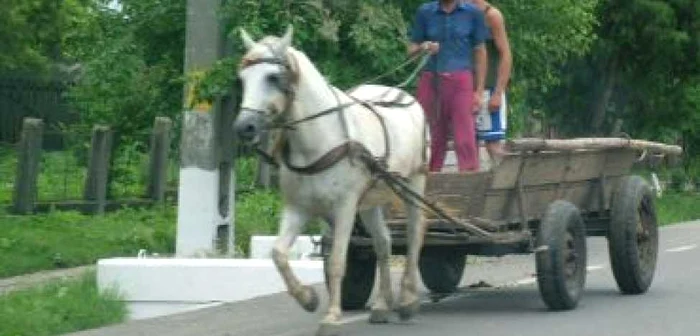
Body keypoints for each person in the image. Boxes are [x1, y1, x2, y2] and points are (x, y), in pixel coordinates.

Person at [408, 0, 488, 172]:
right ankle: (427, 179)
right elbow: (411, 50)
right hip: (431, 79)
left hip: (461, 81)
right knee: (431, 136)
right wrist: (424, 47)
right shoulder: (425, 11)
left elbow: (480, 51)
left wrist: (479, 91)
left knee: (464, 137)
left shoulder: (473, 13)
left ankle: (468, 182)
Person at [467, 0, 513, 166]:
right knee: (467, 144)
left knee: (493, 144)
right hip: (465, 88)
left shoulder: (491, 15)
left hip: (489, 87)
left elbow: (506, 54)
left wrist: (498, 93)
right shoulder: (458, 13)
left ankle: (505, 181)